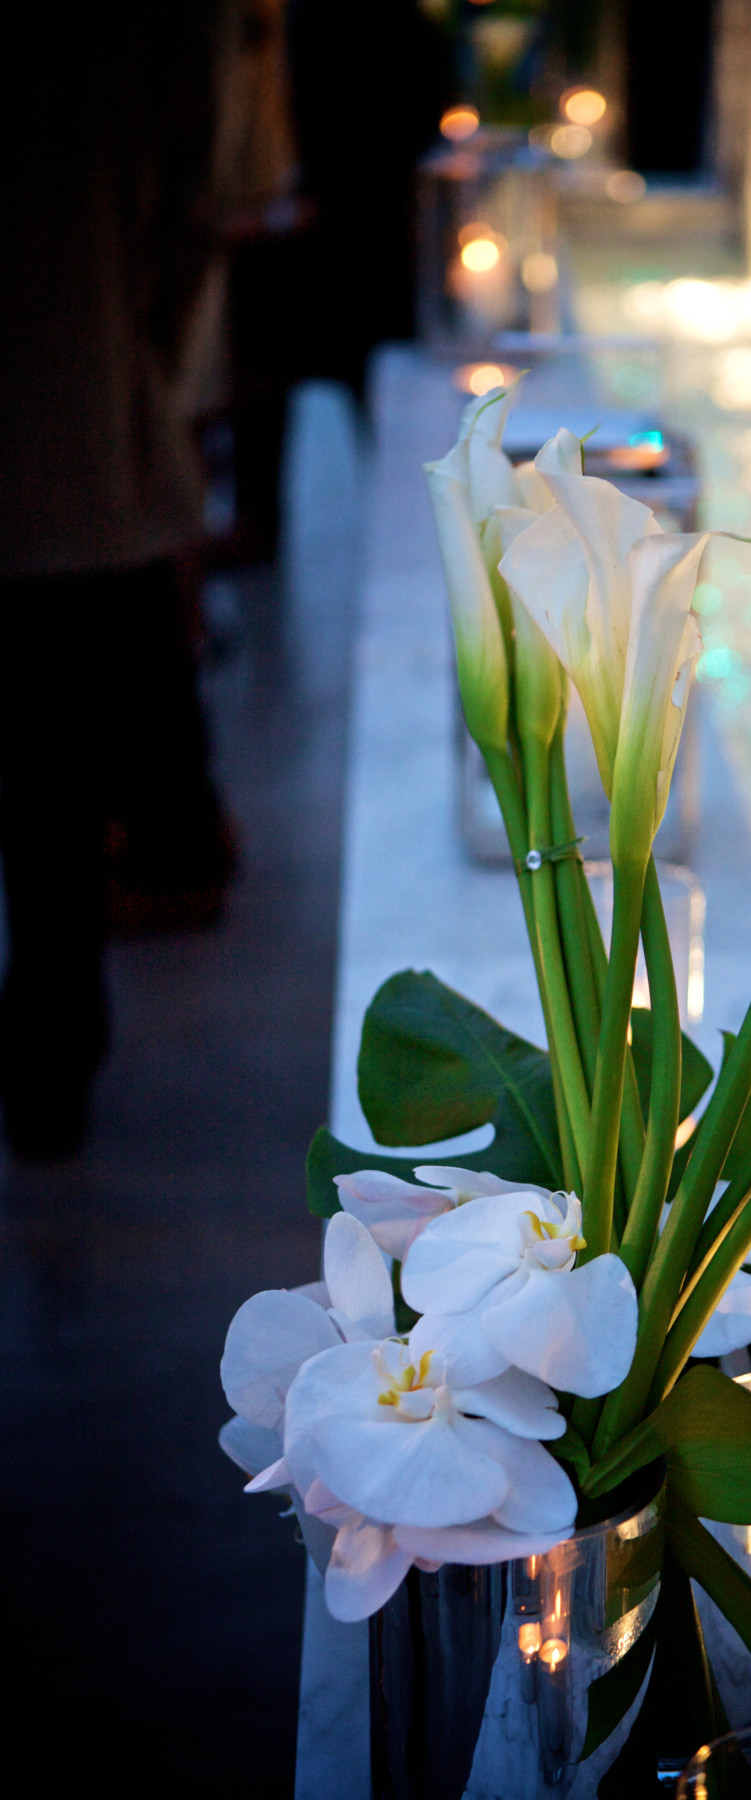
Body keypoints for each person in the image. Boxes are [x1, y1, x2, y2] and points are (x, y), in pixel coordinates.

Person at [0, 7, 237, 1158]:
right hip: (69, 454)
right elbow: (190, 219)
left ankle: (49, 1074)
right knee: (50, 810)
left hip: (75, 456)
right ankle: (47, 1080)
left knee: (52, 802)